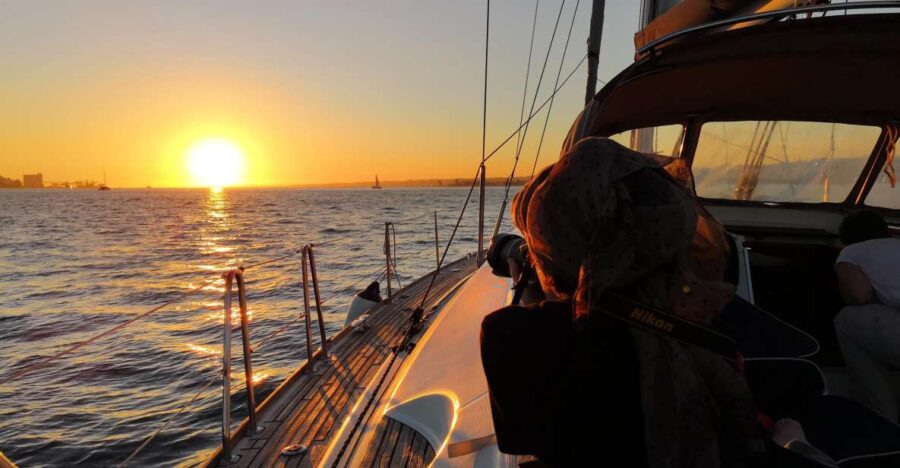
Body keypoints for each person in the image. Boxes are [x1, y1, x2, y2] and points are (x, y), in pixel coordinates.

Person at [833, 210, 900, 423]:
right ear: (886, 231)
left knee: (845, 319)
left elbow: (859, 296)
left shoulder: (851, 253)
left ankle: (883, 415)